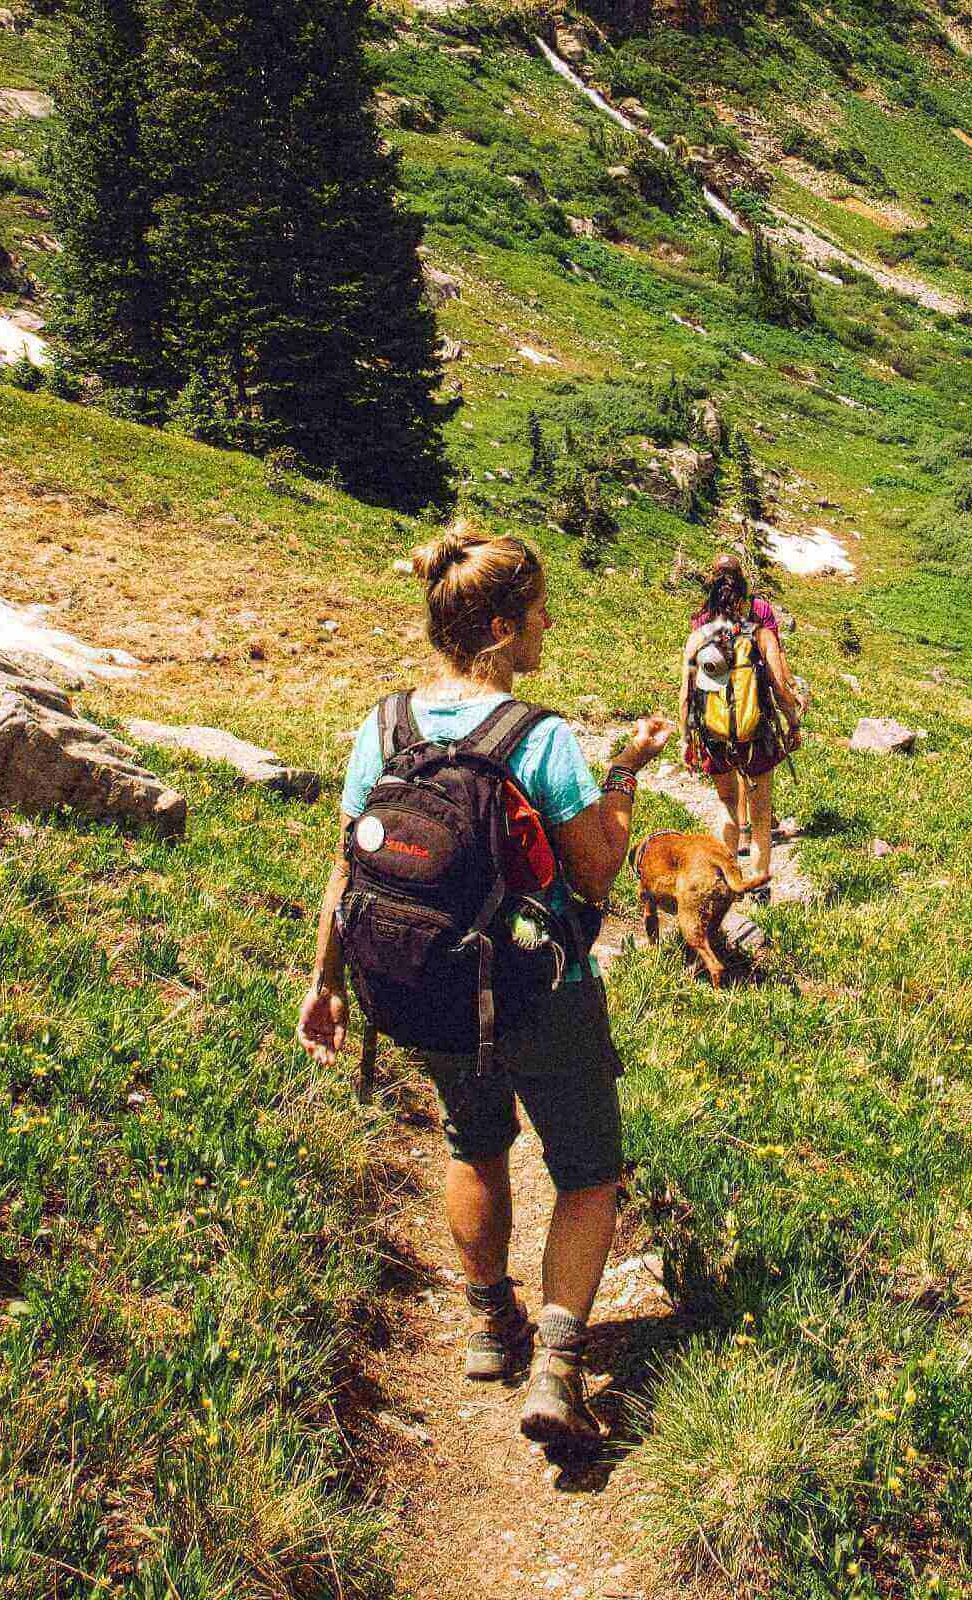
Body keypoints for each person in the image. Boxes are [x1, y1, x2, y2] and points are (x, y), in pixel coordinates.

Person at [297, 523, 672, 1454]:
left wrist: (325, 983)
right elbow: (593, 874)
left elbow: (348, 865)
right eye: (539, 611)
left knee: (473, 1139)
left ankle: (486, 1323)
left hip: (423, 984)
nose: (549, 625)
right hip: (541, 989)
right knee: (588, 1173)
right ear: (503, 627)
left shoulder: (383, 725)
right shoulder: (538, 739)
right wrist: (623, 771)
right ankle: (556, 1361)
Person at [678, 552, 802, 886]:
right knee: (761, 814)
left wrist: (686, 741)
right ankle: (759, 883)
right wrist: (793, 722)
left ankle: (724, 881)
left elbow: (686, 696)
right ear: (743, 593)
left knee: (727, 804)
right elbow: (778, 687)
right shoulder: (760, 634)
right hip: (755, 734)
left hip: (715, 737)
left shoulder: (697, 637)